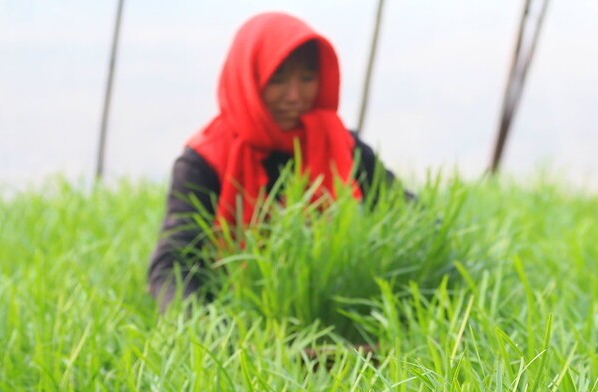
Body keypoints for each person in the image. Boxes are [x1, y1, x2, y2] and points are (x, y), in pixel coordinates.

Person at [148, 12, 405, 312]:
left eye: (307, 79)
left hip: (332, 313)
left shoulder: (340, 146)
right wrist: (207, 331)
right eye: (277, 80)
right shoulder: (204, 162)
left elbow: (406, 214)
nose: (294, 96)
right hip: (233, 315)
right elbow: (172, 264)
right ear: (248, 80)